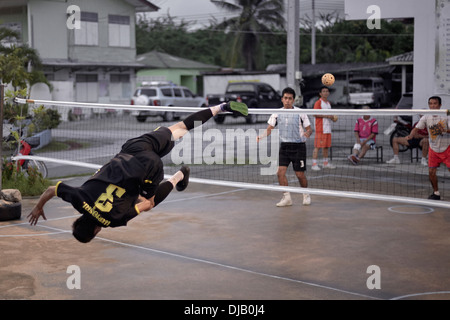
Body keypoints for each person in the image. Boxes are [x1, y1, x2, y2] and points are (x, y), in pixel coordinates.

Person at [28, 102, 249, 242]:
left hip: (148, 170)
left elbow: (144, 205)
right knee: (180, 128)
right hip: (132, 150)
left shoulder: (111, 221)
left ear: (95, 231)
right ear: (78, 220)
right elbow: (51, 189)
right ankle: (221, 107)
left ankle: (179, 176)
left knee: (148, 202)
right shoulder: (78, 199)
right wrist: (38, 207)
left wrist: (145, 197)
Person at [257, 87, 313, 207]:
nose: (287, 100)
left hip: (299, 147)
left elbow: (309, 129)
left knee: (299, 174)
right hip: (285, 147)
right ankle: (287, 198)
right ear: (282, 99)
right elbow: (269, 129)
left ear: (293, 100)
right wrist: (261, 136)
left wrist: (307, 134)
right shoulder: (277, 113)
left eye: (290, 98)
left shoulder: (300, 112)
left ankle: (306, 194)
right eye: (285, 98)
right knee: (280, 173)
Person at [406, 96, 450, 200]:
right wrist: (411, 135)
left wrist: (443, 130)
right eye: (430, 103)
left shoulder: (447, 114)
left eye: (435, 103)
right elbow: (416, 128)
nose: (432, 105)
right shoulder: (426, 116)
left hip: (447, 147)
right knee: (431, 172)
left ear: (440, 105)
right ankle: (436, 193)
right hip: (433, 149)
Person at [312, 86, 337, 171]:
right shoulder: (318, 103)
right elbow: (315, 114)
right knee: (317, 146)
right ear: (320, 93)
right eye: (324, 91)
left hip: (327, 128)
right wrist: (327, 116)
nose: (325, 93)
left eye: (327, 91)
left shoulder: (328, 103)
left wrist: (333, 118)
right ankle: (314, 163)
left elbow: (330, 116)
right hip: (320, 128)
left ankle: (325, 163)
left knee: (326, 146)